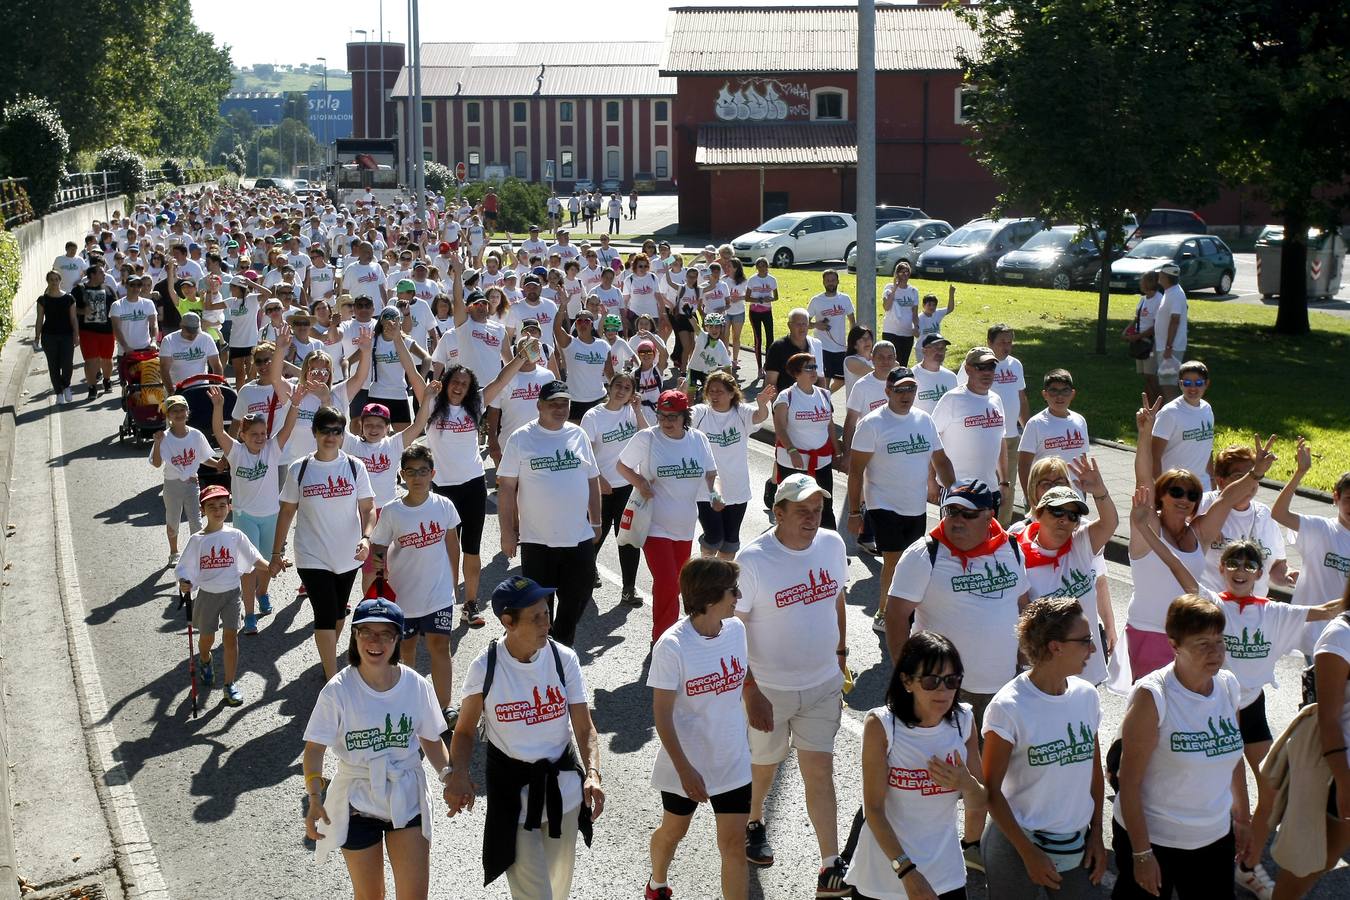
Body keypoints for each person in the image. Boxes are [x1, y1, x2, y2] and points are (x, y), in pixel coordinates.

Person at [1131, 486, 1342, 899]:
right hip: (1216, 705)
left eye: (1250, 564)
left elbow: (1326, 610)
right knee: (1222, 785)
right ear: (1223, 569)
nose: (1242, 570)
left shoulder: (1275, 612)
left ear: (1260, 572)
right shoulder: (1212, 604)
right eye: (1233, 563)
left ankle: (1246, 861)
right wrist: (1146, 530)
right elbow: (1177, 568)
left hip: (1252, 705)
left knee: (1270, 787)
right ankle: (1207, 850)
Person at [884, 477, 1030, 867]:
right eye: (951, 511)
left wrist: (1025, 663)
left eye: (970, 513)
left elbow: (1023, 605)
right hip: (940, 690)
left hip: (999, 688)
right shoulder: (925, 554)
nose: (958, 521)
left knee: (983, 774)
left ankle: (971, 845)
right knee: (908, 774)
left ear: (991, 516)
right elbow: (896, 614)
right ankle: (867, 850)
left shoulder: (1010, 549)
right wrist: (908, 678)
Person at [446, 577, 605, 897]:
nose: (547, 622)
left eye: (547, 612)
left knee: (557, 893)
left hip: (564, 796)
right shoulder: (486, 667)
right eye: (536, 617)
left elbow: (584, 727)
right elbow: (463, 731)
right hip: (512, 799)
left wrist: (593, 773)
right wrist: (458, 773)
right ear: (508, 622)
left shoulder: (563, 659)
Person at [734, 474, 851, 896]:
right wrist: (750, 690)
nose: (812, 517)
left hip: (822, 684)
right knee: (763, 767)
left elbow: (836, 597)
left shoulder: (832, 544)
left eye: (817, 509)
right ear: (777, 513)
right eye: (801, 510)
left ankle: (829, 864)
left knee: (819, 770)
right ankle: (753, 819)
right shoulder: (753, 560)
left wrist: (841, 653)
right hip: (769, 690)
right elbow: (735, 628)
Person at [302, 598, 455, 900]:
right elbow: (315, 748)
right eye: (366, 632)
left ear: (398, 638)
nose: (375, 641)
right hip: (355, 800)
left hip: (406, 796)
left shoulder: (415, 685)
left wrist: (449, 777)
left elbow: (431, 740)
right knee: (370, 896)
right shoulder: (338, 690)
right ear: (354, 635)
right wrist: (314, 797)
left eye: (385, 633)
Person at [1112, 594, 1248, 900]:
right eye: (1203, 644)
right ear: (1174, 645)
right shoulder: (1154, 697)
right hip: (1156, 840)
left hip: (1213, 837)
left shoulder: (1228, 685)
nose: (1215, 652)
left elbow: (1232, 754)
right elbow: (1129, 782)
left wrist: (1243, 817)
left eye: (1219, 641)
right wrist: (1142, 853)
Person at [1122, 396, 1259, 683]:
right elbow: (1143, 477)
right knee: (1154, 712)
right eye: (1176, 492)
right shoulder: (1147, 525)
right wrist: (1145, 433)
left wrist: (1257, 473)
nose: (1185, 499)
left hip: (1190, 635)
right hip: (1149, 632)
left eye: (1192, 495)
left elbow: (1227, 498)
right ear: (1161, 496)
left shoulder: (1198, 533)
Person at [980, 598, 1108, 898]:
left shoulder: (1086, 696)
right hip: (1015, 844)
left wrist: (1097, 835)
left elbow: (1094, 774)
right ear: (1055, 646)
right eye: (1086, 640)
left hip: (1076, 845)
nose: (1093, 649)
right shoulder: (1008, 707)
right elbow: (990, 791)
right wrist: (1028, 853)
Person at [645, 558, 756, 900]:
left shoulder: (736, 629)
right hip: (688, 764)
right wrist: (684, 770)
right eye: (732, 591)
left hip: (732, 759)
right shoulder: (673, 646)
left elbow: (741, 672)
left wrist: (757, 696)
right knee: (674, 831)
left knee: (734, 846)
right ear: (709, 599)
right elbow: (662, 715)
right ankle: (657, 882)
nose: (738, 596)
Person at [845, 632, 987, 900]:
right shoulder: (882, 726)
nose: (943, 690)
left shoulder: (963, 721)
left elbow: (981, 801)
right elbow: (873, 810)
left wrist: (966, 783)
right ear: (907, 681)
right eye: (932, 681)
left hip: (945, 877)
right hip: (885, 878)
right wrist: (908, 872)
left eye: (952, 680)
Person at [1246, 583, 1350, 898]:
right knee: (1310, 859)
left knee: (1329, 856)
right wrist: (1345, 784)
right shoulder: (1340, 637)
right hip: (1338, 768)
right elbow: (1327, 719)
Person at [271, 405, 377, 683]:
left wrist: (367, 538)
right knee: (325, 613)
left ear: (343, 435)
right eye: (325, 431)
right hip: (311, 555)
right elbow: (286, 512)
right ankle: (333, 679)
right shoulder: (300, 469)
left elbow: (368, 508)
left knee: (339, 612)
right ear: (315, 432)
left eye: (336, 431)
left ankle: (327, 655)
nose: (330, 436)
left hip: (348, 554)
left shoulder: (355, 467)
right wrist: (275, 552)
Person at [847, 367, 954, 633]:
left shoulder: (924, 420)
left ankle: (908, 611)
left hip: (915, 506)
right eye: (900, 390)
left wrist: (956, 493)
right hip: (883, 505)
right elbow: (856, 471)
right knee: (894, 560)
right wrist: (853, 512)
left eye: (911, 389)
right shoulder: (872, 423)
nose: (906, 395)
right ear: (887, 391)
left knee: (914, 562)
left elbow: (940, 461)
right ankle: (884, 612)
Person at [497, 381, 602, 647]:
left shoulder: (577, 435)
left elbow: (592, 480)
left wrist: (597, 521)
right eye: (553, 403)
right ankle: (542, 650)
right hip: (538, 540)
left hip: (577, 536)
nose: (559, 408)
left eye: (564, 403)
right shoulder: (521, 438)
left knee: (580, 594)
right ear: (539, 406)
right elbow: (507, 488)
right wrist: (507, 532)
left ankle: (561, 644)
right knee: (538, 605)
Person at [426, 358, 525, 628]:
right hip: (442, 489)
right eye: (455, 382)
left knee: (471, 547)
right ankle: (444, 602)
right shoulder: (432, 404)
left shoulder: (476, 406)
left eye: (464, 384)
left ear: (470, 389)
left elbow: (501, 380)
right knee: (447, 550)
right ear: (446, 383)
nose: (459, 387)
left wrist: (522, 357)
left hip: (472, 485)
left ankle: (470, 604)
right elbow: (412, 372)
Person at [618, 390, 720, 645]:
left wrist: (716, 494)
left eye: (673, 417)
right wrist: (640, 482)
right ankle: (662, 640)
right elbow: (622, 466)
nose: (666, 422)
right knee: (666, 583)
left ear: (685, 416)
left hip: (684, 525)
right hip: (654, 524)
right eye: (662, 416)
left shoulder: (698, 439)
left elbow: (710, 473)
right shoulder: (647, 438)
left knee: (679, 583)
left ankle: (678, 635)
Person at [370, 444, 461, 721]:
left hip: (438, 595)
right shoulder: (393, 511)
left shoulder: (444, 505)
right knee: (406, 650)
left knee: (440, 647)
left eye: (423, 471)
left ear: (432, 473)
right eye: (411, 472)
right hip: (404, 597)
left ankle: (444, 709)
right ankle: (407, 703)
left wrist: (454, 584)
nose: (418, 477)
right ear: (402, 475)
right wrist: (378, 566)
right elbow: (379, 545)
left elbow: (453, 545)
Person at [1015, 468, 1117, 688]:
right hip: (1049, 675)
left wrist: (1099, 490)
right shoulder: (1018, 554)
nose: (1064, 520)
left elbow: (1110, 524)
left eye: (1072, 516)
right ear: (1039, 513)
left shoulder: (1080, 544)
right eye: (1057, 512)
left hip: (1088, 669)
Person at [175, 485, 268, 708]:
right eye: (211, 506)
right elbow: (184, 568)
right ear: (203, 510)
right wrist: (184, 582)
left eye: (222, 505)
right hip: (207, 595)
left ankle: (229, 684)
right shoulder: (197, 540)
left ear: (229, 507)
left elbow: (254, 558)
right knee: (207, 639)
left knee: (230, 638)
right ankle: (205, 658)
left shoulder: (235, 535)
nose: (218, 510)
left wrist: (273, 566)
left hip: (232, 594)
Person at [208, 387, 281, 634]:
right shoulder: (236, 452)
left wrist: (295, 403)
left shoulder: (272, 449)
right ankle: (249, 614)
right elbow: (218, 431)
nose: (259, 438)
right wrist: (218, 407)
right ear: (242, 435)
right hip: (244, 516)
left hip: (271, 515)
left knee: (268, 562)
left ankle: (263, 591)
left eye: (263, 434)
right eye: (254, 434)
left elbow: (289, 427)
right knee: (249, 566)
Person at [1271, 438, 1350, 656]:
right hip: (1312, 637)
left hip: (1346, 638)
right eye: (1348, 499)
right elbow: (1279, 513)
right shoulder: (1320, 529)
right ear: (1335, 497)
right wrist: (1300, 472)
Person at [581, 372, 649, 608]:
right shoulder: (593, 416)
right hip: (602, 488)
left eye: (627, 387)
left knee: (629, 540)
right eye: (618, 385)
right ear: (609, 388)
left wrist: (638, 410)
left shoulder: (632, 412)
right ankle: (586, 573)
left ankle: (629, 590)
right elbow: (585, 454)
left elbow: (648, 437)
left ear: (633, 393)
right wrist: (598, 479)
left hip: (629, 489)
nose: (621, 390)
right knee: (595, 537)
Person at [691, 373, 774, 562]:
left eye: (720, 391)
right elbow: (687, 416)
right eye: (711, 391)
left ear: (731, 393)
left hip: (737, 489)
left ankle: (721, 580)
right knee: (713, 537)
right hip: (707, 489)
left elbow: (759, 416)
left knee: (730, 540)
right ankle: (703, 574)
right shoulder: (702, 413)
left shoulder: (741, 412)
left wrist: (762, 403)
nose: (714, 395)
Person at [1198, 444, 1294, 598]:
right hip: (1210, 610)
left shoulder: (1264, 515)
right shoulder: (1204, 505)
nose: (1249, 483)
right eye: (1239, 477)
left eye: (1254, 476)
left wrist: (1287, 575)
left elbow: (1276, 564)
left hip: (1252, 614)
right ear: (1220, 481)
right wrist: (1201, 529)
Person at [958, 325, 1027, 525]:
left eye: (1009, 342)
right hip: (984, 437)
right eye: (1002, 342)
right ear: (989, 343)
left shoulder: (1016, 365)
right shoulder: (973, 367)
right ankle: (980, 524)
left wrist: (1027, 427)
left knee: (1007, 485)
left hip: (1011, 436)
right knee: (985, 484)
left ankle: (1001, 529)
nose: (1007, 346)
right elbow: (963, 397)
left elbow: (1021, 398)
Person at [932, 347, 1010, 515]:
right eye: (981, 367)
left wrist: (1004, 482)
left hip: (990, 489)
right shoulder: (952, 399)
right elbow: (931, 440)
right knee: (953, 540)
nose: (987, 372)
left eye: (991, 367)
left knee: (988, 540)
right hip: (957, 490)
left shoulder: (996, 400)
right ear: (967, 369)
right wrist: (931, 481)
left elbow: (1000, 440)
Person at [772, 353, 840, 531]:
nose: (814, 371)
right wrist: (792, 450)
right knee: (794, 508)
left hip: (821, 461)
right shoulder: (786, 397)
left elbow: (830, 425)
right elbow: (779, 428)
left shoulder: (824, 394)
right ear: (796, 372)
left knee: (825, 504)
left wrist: (838, 451)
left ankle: (829, 548)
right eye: (808, 367)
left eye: (815, 367)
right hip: (793, 462)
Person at [151, 394, 215, 565]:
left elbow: (203, 457)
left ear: (188, 412)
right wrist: (157, 443)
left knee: (196, 520)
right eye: (174, 411)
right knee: (173, 519)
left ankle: (197, 552)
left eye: (182, 410)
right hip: (172, 485)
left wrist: (219, 465)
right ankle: (174, 552)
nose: (179, 414)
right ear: (168, 416)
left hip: (192, 484)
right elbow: (157, 463)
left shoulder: (195, 435)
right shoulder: (164, 437)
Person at [1017, 369, 1090, 504]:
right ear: (1045, 394)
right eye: (1053, 391)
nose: (1059, 396)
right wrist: (1030, 497)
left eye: (1065, 391)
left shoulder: (1080, 421)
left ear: (1072, 394)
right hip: (1045, 498)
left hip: (1075, 496)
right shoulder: (1035, 424)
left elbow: (1082, 460)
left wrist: (1083, 492)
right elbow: (1024, 464)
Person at [1151, 360, 1215, 490]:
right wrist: (1160, 488)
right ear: (1180, 384)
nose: (1192, 388)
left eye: (1198, 383)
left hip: (1203, 486)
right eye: (1187, 383)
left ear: (1206, 384)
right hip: (1175, 487)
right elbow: (1154, 456)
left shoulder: (1207, 409)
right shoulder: (1170, 413)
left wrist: (1212, 479)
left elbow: (1207, 448)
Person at [553, 309, 609, 421]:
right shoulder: (570, 343)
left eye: (586, 321)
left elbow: (610, 373)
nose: (583, 324)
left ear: (592, 324)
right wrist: (563, 307)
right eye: (579, 321)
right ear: (576, 324)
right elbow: (556, 328)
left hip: (599, 399)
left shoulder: (603, 345)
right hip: (575, 401)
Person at [807, 270, 856, 393]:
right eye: (828, 281)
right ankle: (825, 404)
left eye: (833, 280)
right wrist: (817, 325)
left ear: (838, 281)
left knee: (842, 380)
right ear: (823, 282)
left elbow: (852, 321)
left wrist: (852, 342)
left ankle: (826, 396)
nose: (830, 283)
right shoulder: (816, 300)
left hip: (840, 347)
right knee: (824, 380)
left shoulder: (845, 299)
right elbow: (805, 323)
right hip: (823, 347)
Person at [73, 264, 118, 398]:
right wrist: (82, 311)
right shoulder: (79, 290)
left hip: (107, 330)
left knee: (107, 359)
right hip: (87, 331)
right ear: (92, 275)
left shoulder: (109, 289)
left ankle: (107, 380)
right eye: (101, 273)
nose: (104, 275)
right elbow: (70, 309)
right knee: (90, 360)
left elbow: (116, 309)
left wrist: (117, 330)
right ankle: (92, 387)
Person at [35, 270, 79, 404]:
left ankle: (66, 385)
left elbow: (73, 318)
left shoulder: (69, 298)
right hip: (49, 336)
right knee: (53, 365)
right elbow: (39, 319)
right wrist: (37, 337)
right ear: (47, 281)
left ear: (60, 280)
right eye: (51, 280)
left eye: (56, 279)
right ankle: (58, 392)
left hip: (66, 335)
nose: (54, 282)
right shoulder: (43, 300)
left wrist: (76, 335)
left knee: (67, 364)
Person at [763, 308, 824, 393]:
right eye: (798, 324)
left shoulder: (815, 344)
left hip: (810, 401)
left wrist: (823, 401)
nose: (802, 328)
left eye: (805, 324)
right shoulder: (777, 347)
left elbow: (820, 377)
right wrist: (778, 404)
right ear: (789, 325)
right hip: (787, 400)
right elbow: (771, 382)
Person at [1124, 270, 1163, 404]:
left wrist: (1138, 336)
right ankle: (1148, 403)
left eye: (1142, 280)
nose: (1140, 283)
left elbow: (1157, 326)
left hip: (1152, 342)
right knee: (1144, 375)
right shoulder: (1142, 299)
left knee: (1151, 375)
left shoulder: (1159, 300)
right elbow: (1137, 319)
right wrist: (1127, 331)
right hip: (1140, 342)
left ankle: (1160, 403)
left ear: (1150, 282)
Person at [158, 311, 222, 387]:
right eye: (189, 332)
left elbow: (216, 364)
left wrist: (218, 386)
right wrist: (171, 391)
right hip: (178, 388)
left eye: (195, 332)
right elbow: (164, 369)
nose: (192, 335)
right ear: (181, 326)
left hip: (201, 386)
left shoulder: (206, 338)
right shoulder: (169, 340)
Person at [1154, 263, 1188, 401]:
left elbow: (1175, 320)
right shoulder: (1170, 292)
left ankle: (1175, 415)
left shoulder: (1176, 294)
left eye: (1160, 274)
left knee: (1169, 384)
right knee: (1165, 382)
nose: (1158, 276)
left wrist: (1169, 346)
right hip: (1166, 346)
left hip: (1171, 348)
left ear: (1165, 276)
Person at [881, 261, 920, 365]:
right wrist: (895, 289)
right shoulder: (889, 288)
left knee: (903, 363)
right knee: (892, 363)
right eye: (902, 272)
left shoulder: (913, 291)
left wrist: (916, 327)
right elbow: (886, 307)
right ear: (897, 273)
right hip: (891, 331)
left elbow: (915, 313)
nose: (905, 275)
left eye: (907, 272)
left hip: (907, 333)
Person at [685, 312, 731, 399]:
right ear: (706, 328)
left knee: (709, 398)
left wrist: (731, 383)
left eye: (717, 327)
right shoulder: (702, 336)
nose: (714, 330)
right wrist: (690, 316)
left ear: (721, 328)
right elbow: (696, 326)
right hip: (694, 370)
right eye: (711, 327)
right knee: (690, 397)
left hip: (708, 373)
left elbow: (727, 366)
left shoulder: (721, 346)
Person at [744, 258, 778, 372]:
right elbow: (747, 298)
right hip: (754, 312)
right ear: (756, 267)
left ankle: (767, 365)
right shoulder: (753, 280)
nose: (762, 268)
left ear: (767, 267)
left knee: (770, 338)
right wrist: (759, 299)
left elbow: (776, 297)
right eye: (759, 266)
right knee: (758, 339)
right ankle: (759, 368)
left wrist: (770, 298)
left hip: (767, 311)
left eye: (764, 265)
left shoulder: (772, 280)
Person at [914, 333, 957, 415]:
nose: (940, 351)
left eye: (942, 348)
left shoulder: (951, 377)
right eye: (935, 348)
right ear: (924, 350)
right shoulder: (912, 376)